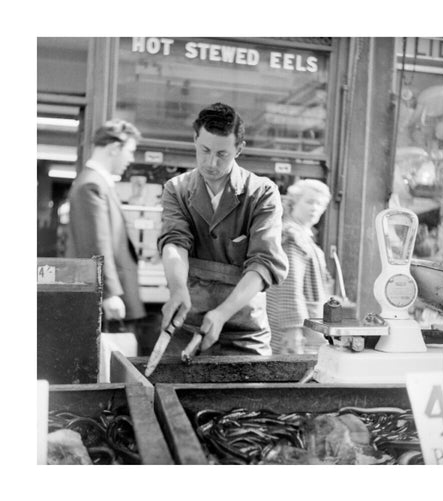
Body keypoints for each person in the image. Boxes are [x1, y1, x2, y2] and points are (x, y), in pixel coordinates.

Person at [158, 102, 288, 355]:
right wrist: (177, 288)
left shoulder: (261, 192)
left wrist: (222, 314)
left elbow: (263, 263)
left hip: (244, 330)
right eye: (205, 150)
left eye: (222, 154)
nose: (211, 162)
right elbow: (175, 243)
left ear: (239, 149)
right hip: (186, 323)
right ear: (195, 139)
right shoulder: (177, 189)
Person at [66, 119, 146, 330]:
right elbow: (96, 244)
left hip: (113, 296)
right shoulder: (91, 185)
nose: (131, 158)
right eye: (130, 151)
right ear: (113, 148)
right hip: (108, 299)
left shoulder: (97, 183)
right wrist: (108, 293)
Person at [266, 179, 334, 354]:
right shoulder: (291, 237)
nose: (315, 208)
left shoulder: (302, 235)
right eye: (309, 202)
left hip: (308, 326)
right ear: (293, 203)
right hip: (297, 332)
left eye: (320, 204)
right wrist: (293, 330)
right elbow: (289, 287)